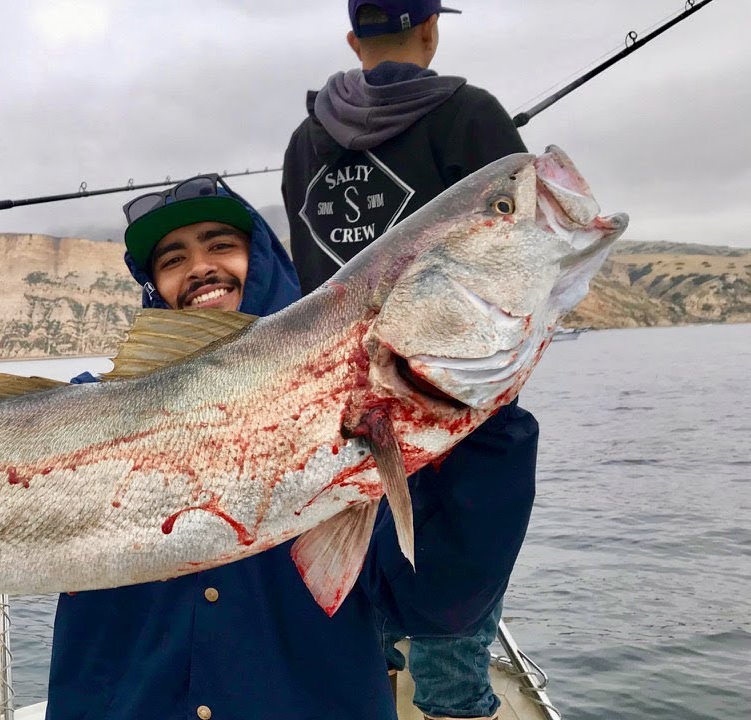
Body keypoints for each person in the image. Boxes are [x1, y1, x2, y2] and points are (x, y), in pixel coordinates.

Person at [41, 176, 537, 720]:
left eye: (221, 245)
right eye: (173, 259)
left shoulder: (368, 411)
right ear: (154, 288)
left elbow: (437, 603)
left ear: (264, 259)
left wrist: (487, 435)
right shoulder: (82, 414)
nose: (200, 267)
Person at [281, 3, 534, 718]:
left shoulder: (305, 142)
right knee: (454, 637)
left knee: (360, 628)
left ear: (354, 40)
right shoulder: (471, 115)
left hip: (339, 425)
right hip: (455, 424)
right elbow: (518, 251)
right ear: (431, 29)